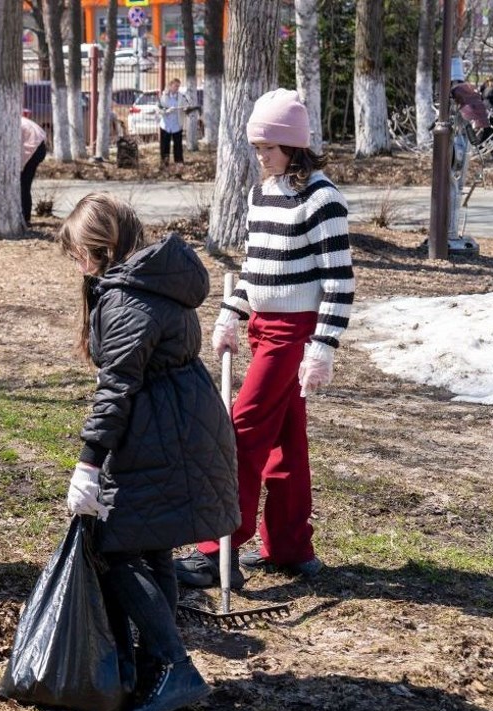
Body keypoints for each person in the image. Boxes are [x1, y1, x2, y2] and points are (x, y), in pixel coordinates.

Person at [59, 193, 239, 711]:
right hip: (178, 424)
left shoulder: (129, 299)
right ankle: (156, 664)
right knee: (153, 547)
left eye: (78, 254)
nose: (77, 266)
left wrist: (88, 463)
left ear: (102, 248)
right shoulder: (147, 282)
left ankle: (172, 664)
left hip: (162, 433)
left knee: (114, 550)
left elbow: (116, 387)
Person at [175, 89, 354, 588]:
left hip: (294, 337)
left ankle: (218, 551)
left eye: (268, 148)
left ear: (294, 146)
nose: (261, 157)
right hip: (264, 330)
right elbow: (254, 269)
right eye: (256, 148)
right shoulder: (263, 194)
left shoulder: (322, 200)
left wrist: (322, 347)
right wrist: (232, 313)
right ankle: (292, 548)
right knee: (286, 444)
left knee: (241, 434)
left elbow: (339, 282)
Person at [19, 111, 47, 227]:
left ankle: (25, 218)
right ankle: (25, 217)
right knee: (25, 184)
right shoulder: (19, 120)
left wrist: (20, 166)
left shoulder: (11, 123)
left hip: (33, 148)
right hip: (40, 147)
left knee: (23, 184)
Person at [157, 78, 191, 168]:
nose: (177, 88)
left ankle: (179, 165)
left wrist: (185, 109)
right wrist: (167, 110)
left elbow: (187, 105)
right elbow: (159, 108)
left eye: (178, 86)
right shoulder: (164, 96)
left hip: (177, 125)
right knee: (164, 146)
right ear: (170, 85)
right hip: (166, 125)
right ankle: (164, 165)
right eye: (175, 86)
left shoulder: (181, 96)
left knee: (178, 146)